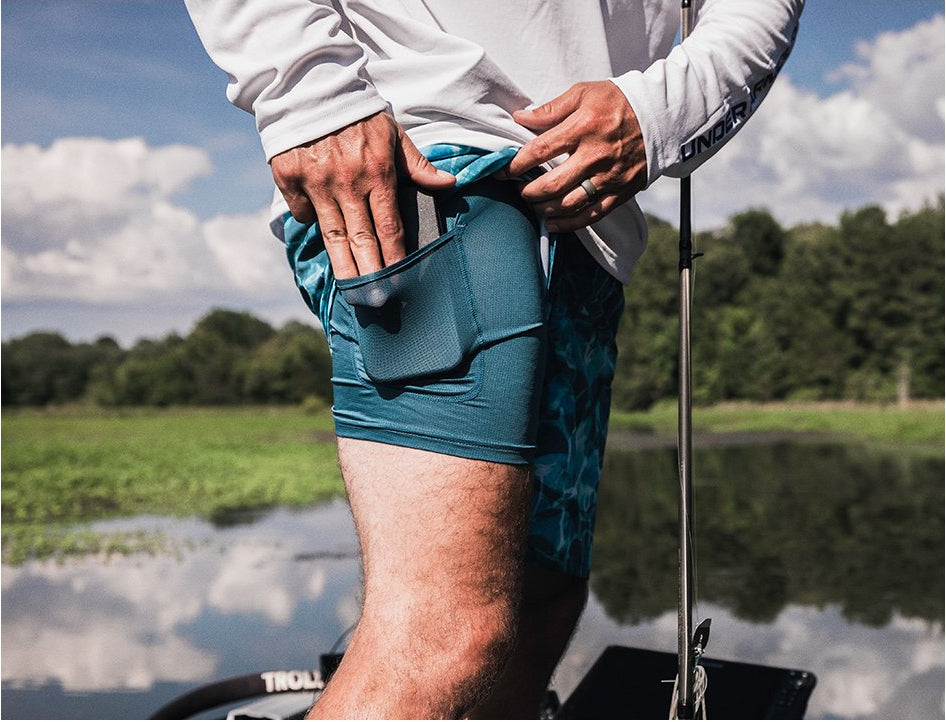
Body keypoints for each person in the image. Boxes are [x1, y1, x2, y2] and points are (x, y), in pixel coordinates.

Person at [185, 1, 804, 717]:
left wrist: (659, 112)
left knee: (542, 605)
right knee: (444, 638)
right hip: (437, 172)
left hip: (594, 222)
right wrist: (307, 91)